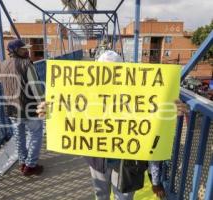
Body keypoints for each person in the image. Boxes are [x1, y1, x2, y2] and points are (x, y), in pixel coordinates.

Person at [36, 50, 187, 199]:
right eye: (104, 71)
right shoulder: (88, 94)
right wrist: (50, 111)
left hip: (127, 161)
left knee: (124, 197)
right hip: (97, 159)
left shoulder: (137, 95)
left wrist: (170, 110)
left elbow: (153, 122)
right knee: (100, 194)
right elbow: (69, 110)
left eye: (115, 71)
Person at [0, 39, 44, 176]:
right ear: (15, 51)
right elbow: (35, 87)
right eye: (23, 49)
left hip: (12, 109)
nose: (27, 51)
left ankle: (23, 162)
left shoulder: (2, 65)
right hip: (29, 108)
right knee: (36, 134)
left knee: (19, 136)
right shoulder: (27, 64)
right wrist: (43, 104)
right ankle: (30, 165)